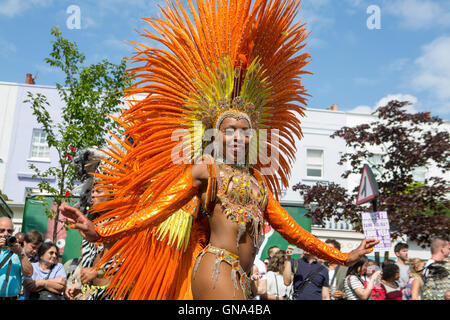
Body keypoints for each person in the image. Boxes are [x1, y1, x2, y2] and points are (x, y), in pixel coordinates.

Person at [59, 0, 379, 300]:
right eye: (230, 131)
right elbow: (155, 211)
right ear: (217, 136)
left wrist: (342, 255)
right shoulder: (205, 171)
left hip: (242, 275)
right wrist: (99, 230)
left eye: (245, 131)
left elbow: (293, 231)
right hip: (216, 267)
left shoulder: (258, 185)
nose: (239, 137)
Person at [0, 217, 33, 300]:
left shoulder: (17, 250)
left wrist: (20, 253)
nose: (6, 234)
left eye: (9, 231)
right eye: (2, 230)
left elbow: (29, 273)